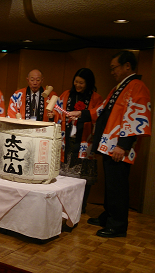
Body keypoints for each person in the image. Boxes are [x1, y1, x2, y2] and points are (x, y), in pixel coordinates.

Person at [68, 51, 152, 238]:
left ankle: (118, 224)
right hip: (109, 143)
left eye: (114, 67)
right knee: (111, 184)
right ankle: (109, 215)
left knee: (118, 186)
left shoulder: (137, 86)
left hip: (119, 146)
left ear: (127, 66)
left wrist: (123, 145)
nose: (112, 71)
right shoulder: (120, 87)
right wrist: (80, 114)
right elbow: (101, 109)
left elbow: (138, 117)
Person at [51, 68, 103, 213]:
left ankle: (80, 206)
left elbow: (99, 115)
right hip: (66, 141)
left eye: (81, 83)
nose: (78, 85)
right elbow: (57, 110)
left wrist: (82, 115)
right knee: (63, 176)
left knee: (82, 178)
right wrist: (55, 113)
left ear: (89, 83)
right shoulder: (66, 94)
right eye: (76, 81)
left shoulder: (96, 98)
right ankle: (61, 206)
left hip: (84, 142)